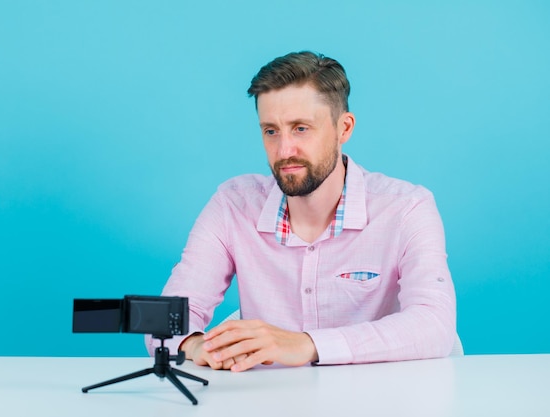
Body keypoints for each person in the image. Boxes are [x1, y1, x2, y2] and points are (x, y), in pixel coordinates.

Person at [146, 51, 456, 372]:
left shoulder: (406, 208)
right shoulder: (232, 205)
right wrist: (197, 345)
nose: (284, 150)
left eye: (301, 128)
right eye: (271, 131)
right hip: (273, 399)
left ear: (344, 128)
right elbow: (165, 320)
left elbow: (434, 323)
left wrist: (307, 344)